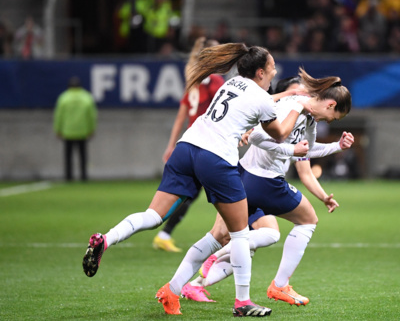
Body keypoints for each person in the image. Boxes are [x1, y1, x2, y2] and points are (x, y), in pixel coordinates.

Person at [82, 43, 310, 318]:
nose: (275, 72)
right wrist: (297, 103)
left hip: (187, 147)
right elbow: (281, 134)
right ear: (261, 71)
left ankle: (106, 240)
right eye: (272, 67)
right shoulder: (262, 98)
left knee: (153, 215)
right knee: (237, 234)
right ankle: (243, 302)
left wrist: (286, 93)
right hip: (215, 158)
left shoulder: (232, 83)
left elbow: (259, 102)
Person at [159, 68, 353, 310]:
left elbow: (306, 151)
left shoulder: (308, 116)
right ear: (331, 104)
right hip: (264, 181)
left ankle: (174, 288)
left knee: (218, 237)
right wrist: (290, 151)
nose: (330, 121)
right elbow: (259, 137)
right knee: (307, 220)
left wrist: (336, 146)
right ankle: (279, 285)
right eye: (334, 116)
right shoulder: (291, 107)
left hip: (243, 175)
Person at [152, 37, 224, 253]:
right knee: (229, 191)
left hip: (191, 141)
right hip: (209, 144)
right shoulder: (215, 81)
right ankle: (231, 237)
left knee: (191, 193)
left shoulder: (194, 80)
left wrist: (171, 145)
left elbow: (181, 116)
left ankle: (164, 233)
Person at [53, 76, 97, 181]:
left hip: (68, 131)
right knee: (83, 156)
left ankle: (68, 177)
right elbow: (92, 115)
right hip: (82, 131)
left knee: (68, 156)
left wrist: (57, 129)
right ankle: (84, 176)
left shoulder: (64, 98)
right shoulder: (87, 97)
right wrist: (92, 129)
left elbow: (58, 115)